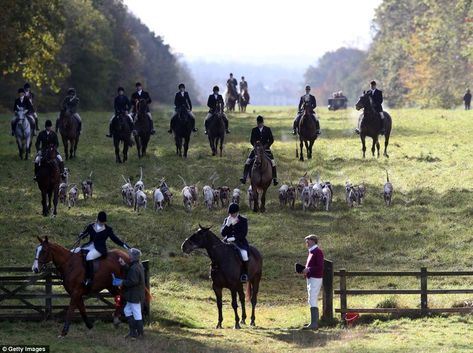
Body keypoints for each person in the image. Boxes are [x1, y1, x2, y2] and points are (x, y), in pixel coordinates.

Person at [72, 211, 130, 287]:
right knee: (73, 251)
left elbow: (115, 239)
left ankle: (89, 279)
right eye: (100, 222)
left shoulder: (108, 229)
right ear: (97, 219)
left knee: (89, 256)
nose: (102, 223)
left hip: (99, 249)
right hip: (89, 245)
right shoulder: (91, 226)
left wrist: (125, 245)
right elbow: (84, 233)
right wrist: (81, 235)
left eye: (103, 222)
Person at [113, 248, 146, 340]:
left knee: (137, 314)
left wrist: (122, 282)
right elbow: (131, 272)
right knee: (127, 311)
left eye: (130, 255)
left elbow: (133, 281)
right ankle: (133, 332)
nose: (129, 256)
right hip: (133, 295)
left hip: (135, 295)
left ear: (133, 257)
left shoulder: (135, 268)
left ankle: (139, 334)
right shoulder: (136, 266)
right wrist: (124, 265)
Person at [240, 115, 278, 186]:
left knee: (273, 163)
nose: (259, 124)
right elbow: (251, 140)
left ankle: (275, 178)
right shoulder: (254, 130)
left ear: (263, 123)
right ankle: (244, 177)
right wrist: (255, 146)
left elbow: (271, 140)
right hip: (256, 149)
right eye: (258, 123)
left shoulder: (267, 129)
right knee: (248, 161)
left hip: (266, 149)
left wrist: (266, 146)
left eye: (260, 123)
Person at [298, 234, 324, 330]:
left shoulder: (318, 252)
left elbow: (320, 266)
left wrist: (308, 269)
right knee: (311, 299)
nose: (306, 242)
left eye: (307, 240)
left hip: (315, 278)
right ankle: (313, 323)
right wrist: (305, 270)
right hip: (311, 278)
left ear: (313, 241)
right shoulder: (312, 252)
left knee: (313, 298)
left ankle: (314, 324)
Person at [221, 203, 250, 283]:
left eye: (233, 213)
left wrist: (235, 238)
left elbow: (244, 233)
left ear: (237, 212)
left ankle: (244, 274)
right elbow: (223, 233)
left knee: (244, 254)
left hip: (239, 242)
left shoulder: (243, 220)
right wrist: (227, 225)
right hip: (227, 241)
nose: (231, 215)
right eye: (230, 213)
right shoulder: (227, 220)